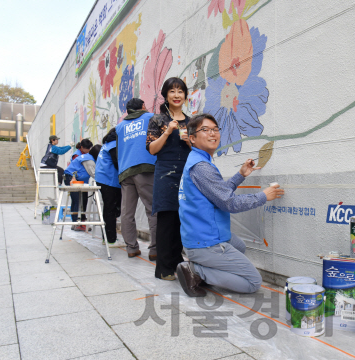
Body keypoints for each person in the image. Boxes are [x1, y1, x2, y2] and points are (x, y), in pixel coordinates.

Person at [177, 114, 285, 297]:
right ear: (192, 138)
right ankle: (196, 271)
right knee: (253, 282)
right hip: (205, 242)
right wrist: (263, 196)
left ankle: (204, 267)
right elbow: (229, 202)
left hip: (199, 235)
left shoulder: (198, 160)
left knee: (239, 246)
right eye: (205, 130)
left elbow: (218, 194)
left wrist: (241, 174)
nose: (212, 134)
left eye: (215, 129)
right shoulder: (202, 166)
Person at [147, 77, 191, 281]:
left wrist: (189, 142)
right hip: (165, 174)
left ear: (185, 95)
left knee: (183, 219)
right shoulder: (158, 120)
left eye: (180, 91)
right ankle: (164, 269)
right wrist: (167, 133)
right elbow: (151, 149)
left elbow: (201, 150)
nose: (176, 95)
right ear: (165, 95)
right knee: (166, 220)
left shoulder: (192, 122)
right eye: (172, 91)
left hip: (187, 174)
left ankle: (178, 264)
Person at [116, 98, 158, 259]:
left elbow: (119, 150)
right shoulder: (151, 117)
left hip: (126, 171)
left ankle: (131, 248)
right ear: (142, 106)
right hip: (145, 167)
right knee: (153, 209)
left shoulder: (120, 127)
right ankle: (155, 249)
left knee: (127, 212)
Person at [95, 128, 123, 247]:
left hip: (104, 179)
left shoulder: (107, 144)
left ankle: (107, 238)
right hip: (109, 180)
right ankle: (110, 240)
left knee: (110, 209)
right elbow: (117, 162)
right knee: (111, 209)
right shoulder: (113, 144)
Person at [64, 144, 101, 231]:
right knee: (77, 200)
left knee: (83, 200)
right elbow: (94, 174)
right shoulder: (89, 160)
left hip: (79, 181)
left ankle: (81, 222)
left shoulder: (87, 157)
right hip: (71, 178)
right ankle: (76, 223)